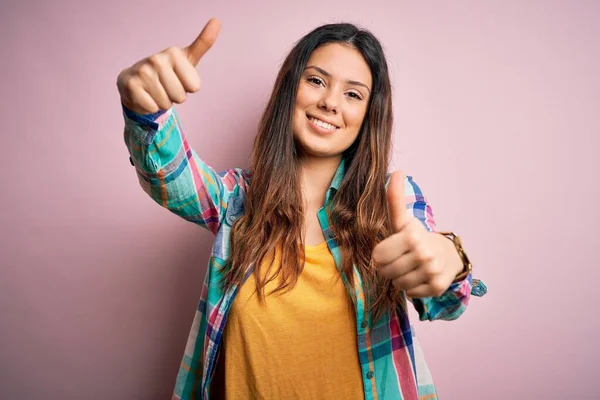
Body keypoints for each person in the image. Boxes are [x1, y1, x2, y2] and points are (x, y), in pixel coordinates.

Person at [117, 18, 487, 400]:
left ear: (368, 117)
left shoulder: (389, 203)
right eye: (316, 81)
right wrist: (143, 111)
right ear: (289, 89)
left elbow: (445, 297)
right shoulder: (236, 200)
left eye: (353, 95)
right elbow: (169, 177)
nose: (329, 102)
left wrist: (449, 259)